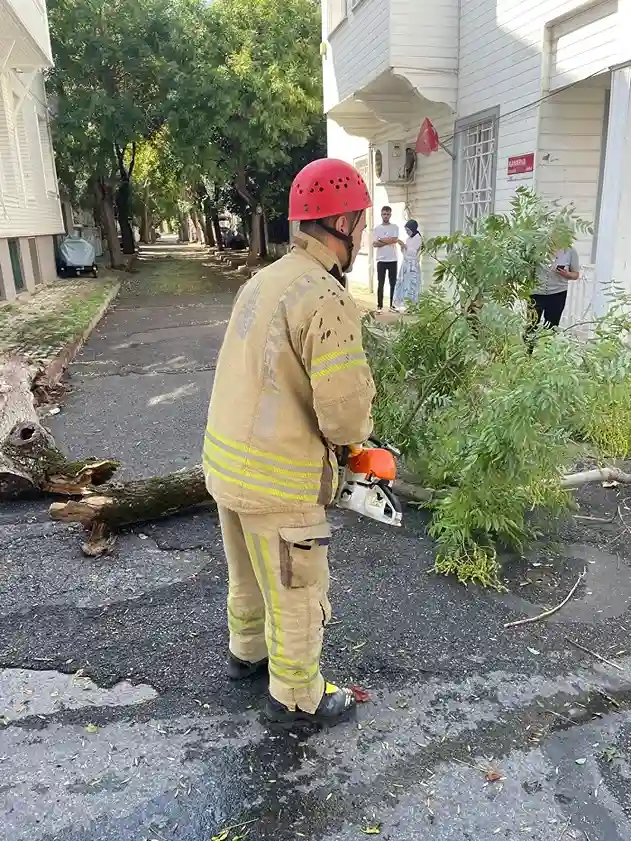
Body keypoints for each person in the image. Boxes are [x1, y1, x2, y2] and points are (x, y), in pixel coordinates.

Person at [202, 158, 376, 727]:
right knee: (298, 590)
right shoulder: (325, 297)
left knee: (247, 575)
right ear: (345, 222)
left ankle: (246, 655)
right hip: (279, 480)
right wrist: (358, 449)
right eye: (361, 221)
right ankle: (297, 698)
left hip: (227, 467)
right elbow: (345, 414)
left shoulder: (264, 281)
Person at [529, 246, 580, 329]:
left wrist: (567, 274)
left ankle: (548, 341)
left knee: (552, 326)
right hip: (536, 292)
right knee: (531, 325)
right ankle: (529, 342)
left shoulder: (570, 251)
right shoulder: (536, 246)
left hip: (557, 294)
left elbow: (576, 275)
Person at [373, 206, 399, 312]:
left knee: (393, 283)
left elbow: (395, 240)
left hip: (392, 259)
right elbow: (375, 243)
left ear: (390, 215)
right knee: (381, 283)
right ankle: (379, 306)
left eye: (388, 214)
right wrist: (389, 240)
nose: (386, 216)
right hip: (381, 260)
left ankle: (392, 305)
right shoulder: (377, 229)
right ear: (381, 215)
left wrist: (381, 240)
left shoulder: (395, 227)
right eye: (384, 214)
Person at [393, 220, 423, 309]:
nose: (407, 232)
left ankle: (412, 305)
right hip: (406, 264)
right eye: (406, 231)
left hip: (413, 265)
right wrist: (403, 247)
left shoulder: (418, 238)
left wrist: (405, 246)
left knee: (411, 284)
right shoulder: (408, 239)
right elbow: (406, 253)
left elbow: (413, 253)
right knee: (403, 284)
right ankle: (404, 304)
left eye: (408, 230)